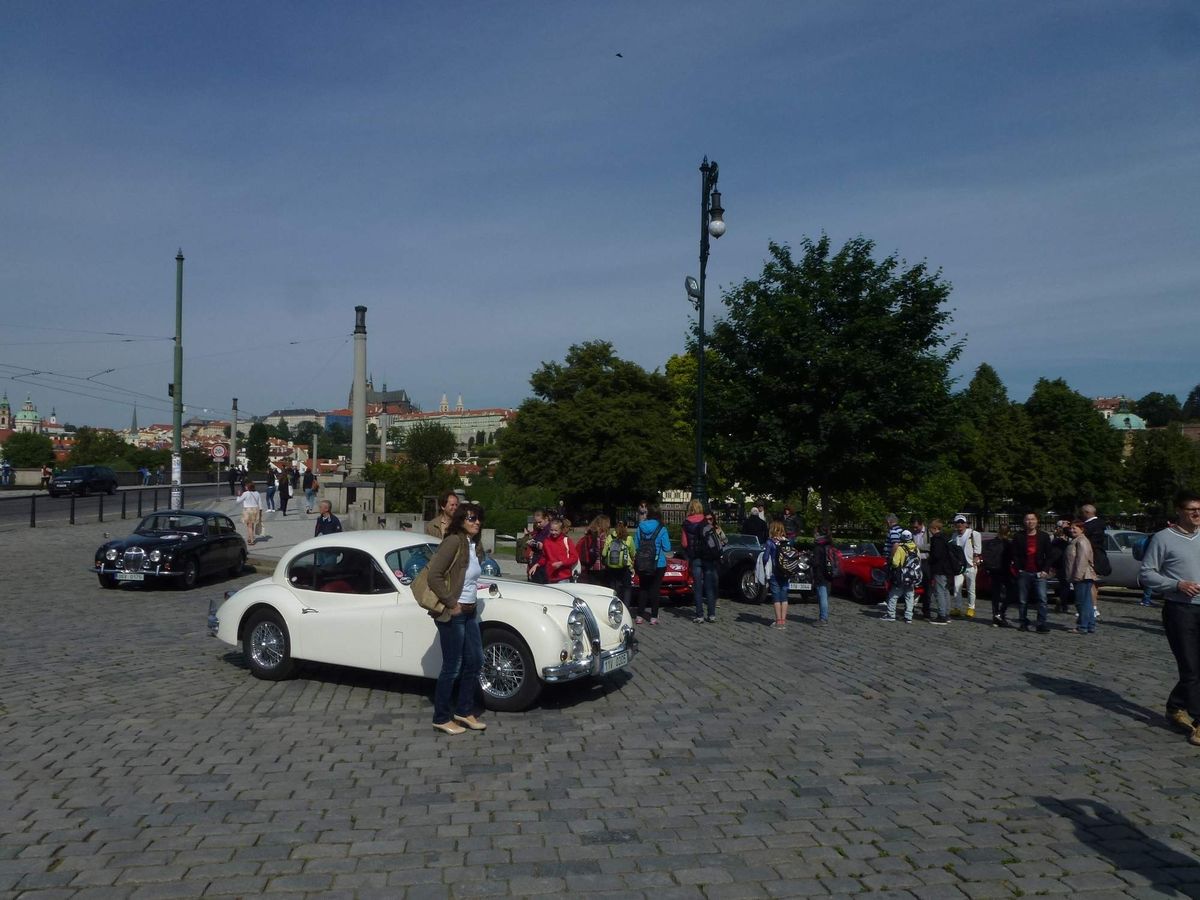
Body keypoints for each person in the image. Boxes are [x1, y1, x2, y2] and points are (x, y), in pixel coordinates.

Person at [1139, 491, 1200, 745]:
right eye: (1191, 509)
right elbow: (1146, 574)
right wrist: (1177, 584)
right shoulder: (1163, 538)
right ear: (1178, 511)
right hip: (1180, 610)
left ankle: (1175, 706)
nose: (1197, 513)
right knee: (1190, 667)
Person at [426, 503, 488, 735]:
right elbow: (434, 575)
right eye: (471, 518)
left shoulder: (473, 545)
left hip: (470, 612)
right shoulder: (453, 541)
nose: (476, 522)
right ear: (461, 520)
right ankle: (441, 717)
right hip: (455, 612)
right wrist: (452, 603)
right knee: (453, 666)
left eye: (478, 518)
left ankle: (463, 710)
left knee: (475, 661)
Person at [1010, 513, 1052, 633]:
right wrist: (1018, 568)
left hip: (1040, 572)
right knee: (1023, 600)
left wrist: (1045, 570)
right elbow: (1014, 554)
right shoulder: (1018, 536)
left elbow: (1049, 555)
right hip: (1024, 572)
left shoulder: (1044, 536)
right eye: (1028, 519)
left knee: (1042, 599)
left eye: (1032, 519)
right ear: (1024, 522)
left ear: (1037, 521)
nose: (1030, 522)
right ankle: (1023, 622)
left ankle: (1041, 623)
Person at [682, 499, 719, 623]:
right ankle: (712, 614)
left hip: (695, 557)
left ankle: (699, 615)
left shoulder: (686, 523)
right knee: (709, 586)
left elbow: (684, 543)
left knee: (697, 586)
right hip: (707, 556)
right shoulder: (705, 520)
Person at [633, 503, 671, 625]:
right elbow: (667, 548)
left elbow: (636, 545)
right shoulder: (662, 528)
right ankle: (654, 616)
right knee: (655, 589)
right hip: (658, 563)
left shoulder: (640, 527)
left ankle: (639, 615)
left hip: (643, 562)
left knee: (643, 588)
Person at [1065, 519, 1097, 634]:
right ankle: (1090, 625)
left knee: (1081, 602)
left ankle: (1082, 626)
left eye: (1075, 528)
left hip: (1082, 576)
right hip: (1084, 575)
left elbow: (1082, 560)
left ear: (1082, 529)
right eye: (1071, 528)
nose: (1072, 530)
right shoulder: (1078, 540)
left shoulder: (1081, 541)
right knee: (1087, 602)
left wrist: (1077, 576)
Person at [884, 529, 921, 623]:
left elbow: (895, 563)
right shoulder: (915, 548)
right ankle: (908, 617)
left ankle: (891, 615)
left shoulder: (900, 548)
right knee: (910, 596)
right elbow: (919, 560)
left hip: (901, 575)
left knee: (893, 595)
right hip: (912, 576)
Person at [951, 514, 983, 617]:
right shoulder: (954, 535)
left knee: (971, 588)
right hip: (959, 566)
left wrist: (976, 557)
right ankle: (958, 607)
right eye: (957, 523)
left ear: (966, 524)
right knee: (956, 587)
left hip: (970, 564)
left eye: (962, 522)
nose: (960, 524)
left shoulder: (974, 534)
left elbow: (978, 548)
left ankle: (971, 608)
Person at [982, 524, 1014, 628]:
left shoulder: (990, 543)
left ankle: (995, 615)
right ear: (1008, 532)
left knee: (995, 594)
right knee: (1011, 591)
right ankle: (1000, 613)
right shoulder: (1008, 544)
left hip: (993, 570)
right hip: (1004, 570)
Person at [926, 519, 954, 625]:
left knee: (940, 592)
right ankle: (946, 614)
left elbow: (936, 555)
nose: (930, 531)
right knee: (945, 591)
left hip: (940, 568)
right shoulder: (946, 538)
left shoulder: (936, 539)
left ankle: (942, 615)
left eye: (930, 529)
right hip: (948, 568)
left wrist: (930, 560)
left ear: (934, 528)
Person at [764, 520, 792, 628]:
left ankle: (778, 621)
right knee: (784, 597)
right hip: (785, 572)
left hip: (774, 573)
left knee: (776, 597)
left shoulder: (770, 542)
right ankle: (783, 621)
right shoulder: (787, 541)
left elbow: (765, 558)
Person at [603, 520, 636, 606]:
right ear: (626, 527)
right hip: (625, 567)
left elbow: (604, 553)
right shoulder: (629, 538)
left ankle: (614, 607)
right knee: (627, 588)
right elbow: (633, 553)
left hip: (611, 566)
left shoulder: (610, 537)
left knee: (613, 588)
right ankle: (626, 607)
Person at [540, 517, 577, 584]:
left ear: (561, 530)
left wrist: (561, 563)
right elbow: (544, 557)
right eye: (551, 530)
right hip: (551, 576)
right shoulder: (546, 541)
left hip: (563, 576)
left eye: (556, 530)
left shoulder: (566, 541)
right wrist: (537, 564)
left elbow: (574, 557)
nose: (553, 532)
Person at [811, 528, 835, 626]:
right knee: (825, 596)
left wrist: (809, 560)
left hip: (820, 574)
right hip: (828, 574)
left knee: (822, 597)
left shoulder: (818, 546)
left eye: (815, 533)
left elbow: (816, 562)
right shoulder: (829, 545)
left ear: (818, 535)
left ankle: (823, 618)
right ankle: (823, 617)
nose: (814, 535)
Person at [526, 508, 552, 583]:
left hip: (543, 563)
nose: (538, 524)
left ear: (546, 519)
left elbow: (545, 546)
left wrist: (535, 544)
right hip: (536, 560)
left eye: (540, 522)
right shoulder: (540, 530)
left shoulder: (549, 530)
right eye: (536, 522)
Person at [233, 480, 263, 545]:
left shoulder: (245, 493)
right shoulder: (257, 493)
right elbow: (260, 503)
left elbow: (238, 501)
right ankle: (249, 537)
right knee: (252, 525)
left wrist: (238, 495)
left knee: (249, 526)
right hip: (255, 510)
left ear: (248, 487)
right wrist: (260, 512)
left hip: (248, 510)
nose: (245, 487)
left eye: (246, 486)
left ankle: (252, 540)